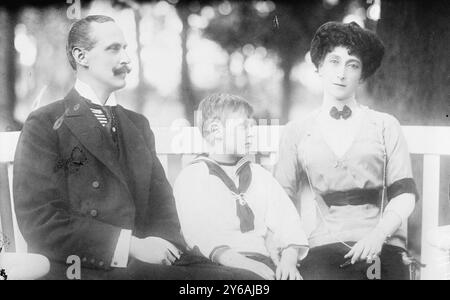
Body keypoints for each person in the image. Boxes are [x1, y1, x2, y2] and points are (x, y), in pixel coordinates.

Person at [13, 15, 260, 280]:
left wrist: (163, 248)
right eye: (113, 49)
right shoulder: (46, 123)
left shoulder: (137, 125)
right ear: (81, 56)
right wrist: (130, 246)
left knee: (250, 282)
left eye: (125, 48)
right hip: (84, 268)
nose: (126, 60)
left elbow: (163, 209)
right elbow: (41, 222)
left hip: (148, 265)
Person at [274, 21, 418, 280]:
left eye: (352, 65)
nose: (341, 73)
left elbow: (405, 194)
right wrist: (289, 252)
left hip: (380, 244)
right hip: (322, 247)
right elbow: (280, 201)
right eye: (334, 61)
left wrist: (378, 235)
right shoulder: (296, 132)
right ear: (318, 66)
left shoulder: (385, 125)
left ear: (362, 75)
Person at [174, 93, 309, 280]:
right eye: (243, 127)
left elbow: (288, 220)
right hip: (213, 265)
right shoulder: (193, 176)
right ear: (215, 130)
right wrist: (248, 265)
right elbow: (198, 234)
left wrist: (289, 258)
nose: (251, 132)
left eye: (251, 126)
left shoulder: (260, 176)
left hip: (261, 261)